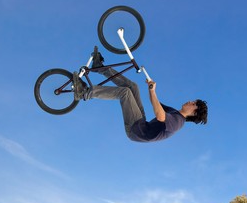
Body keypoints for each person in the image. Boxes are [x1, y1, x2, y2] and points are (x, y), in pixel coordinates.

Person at [73, 48, 208, 142]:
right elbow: (156, 104)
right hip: (141, 122)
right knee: (133, 87)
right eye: (193, 101)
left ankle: (84, 93)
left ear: (194, 113)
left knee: (125, 93)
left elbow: (160, 115)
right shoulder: (175, 112)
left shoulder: (178, 122)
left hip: (136, 130)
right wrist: (151, 88)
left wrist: (152, 91)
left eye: (194, 104)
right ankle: (99, 67)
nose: (190, 101)